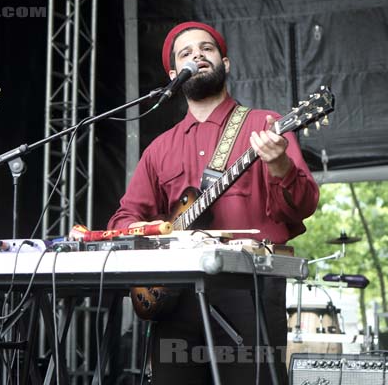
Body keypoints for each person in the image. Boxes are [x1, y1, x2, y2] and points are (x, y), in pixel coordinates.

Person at [108, 22, 319, 384]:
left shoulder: (265, 124)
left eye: (206, 49)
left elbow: (303, 206)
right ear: (174, 75)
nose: (197, 56)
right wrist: (160, 236)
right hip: (175, 297)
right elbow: (124, 219)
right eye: (186, 53)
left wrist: (279, 164)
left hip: (248, 290)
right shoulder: (160, 148)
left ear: (226, 63)